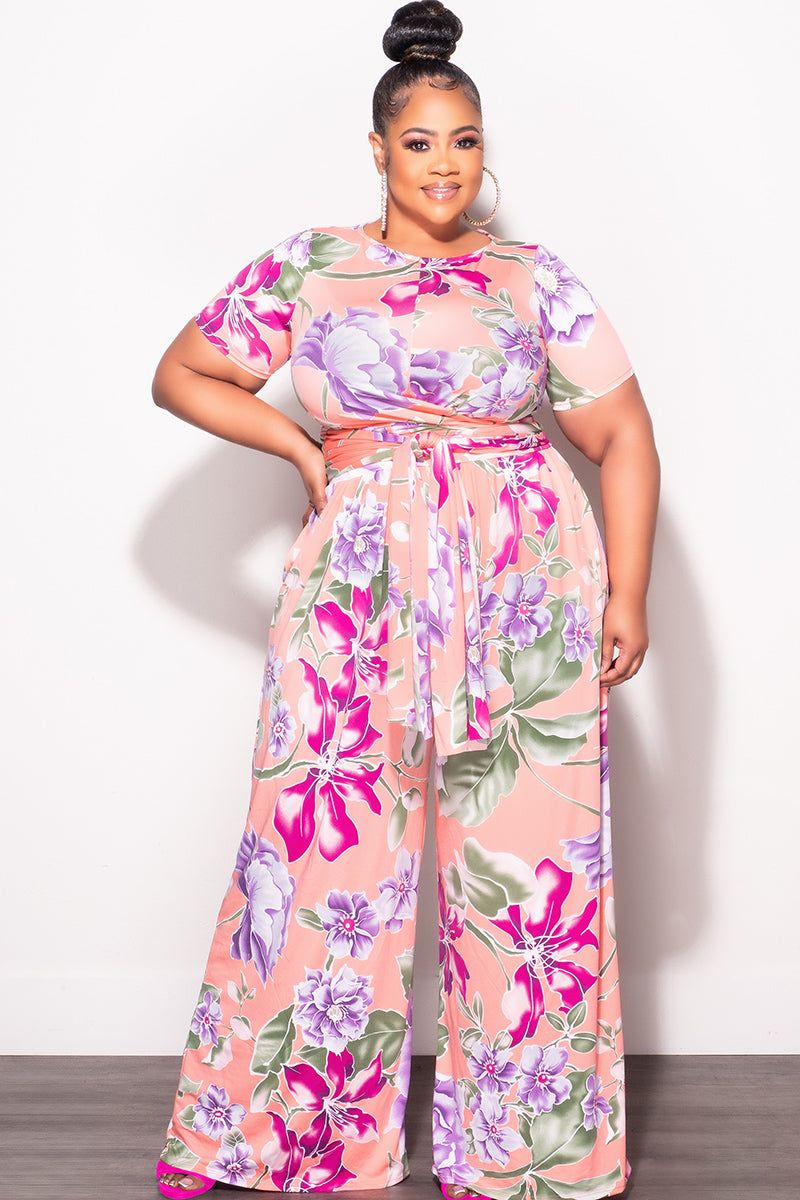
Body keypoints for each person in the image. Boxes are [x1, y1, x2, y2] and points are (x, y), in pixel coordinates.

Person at [151, 3, 659, 1197]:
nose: (444, 164)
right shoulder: (313, 265)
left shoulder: (530, 277)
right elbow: (182, 372)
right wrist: (299, 445)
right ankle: (282, 1138)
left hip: (525, 588)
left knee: (529, 863)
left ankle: (527, 1154)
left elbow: (622, 433)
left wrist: (627, 592)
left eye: (464, 141)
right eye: (421, 142)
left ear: (485, 153)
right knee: (315, 846)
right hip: (355, 582)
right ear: (377, 149)